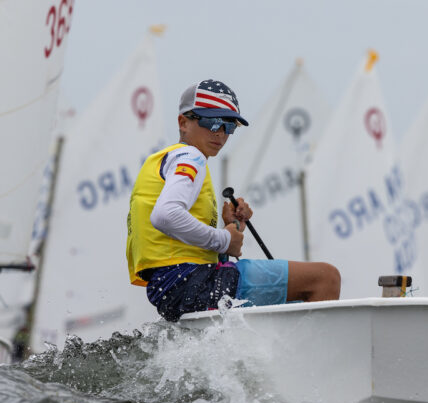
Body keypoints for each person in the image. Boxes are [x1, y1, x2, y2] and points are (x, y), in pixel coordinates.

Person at [126, 79, 340, 322]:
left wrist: (232, 226)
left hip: (172, 289)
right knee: (325, 278)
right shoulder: (191, 157)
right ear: (183, 123)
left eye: (229, 125)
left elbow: (177, 238)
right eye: (211, 121)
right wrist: (224, 239)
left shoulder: (164, 160)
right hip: (191, 282)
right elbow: (165, 215)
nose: (220, 133)